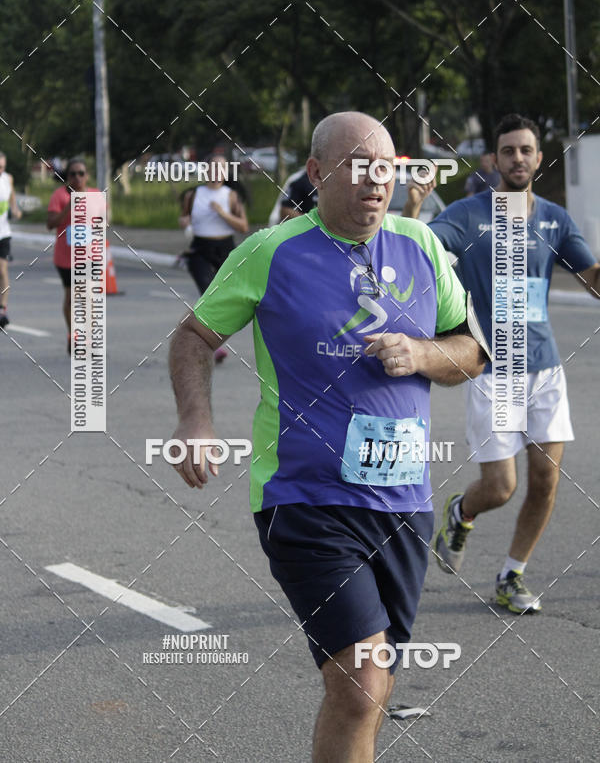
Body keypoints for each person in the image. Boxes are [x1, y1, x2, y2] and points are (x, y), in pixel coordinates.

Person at [168, 111, 485, 762]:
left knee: (371, 687)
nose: (376, 184)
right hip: (305, 498)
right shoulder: (271, 250)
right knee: (362, 682)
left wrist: (421, 356)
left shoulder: (421, 247)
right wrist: (197, 421)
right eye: (359, 168)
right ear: (316, 173)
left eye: (387, 171)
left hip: (402, 504)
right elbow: (193, 338)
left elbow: (472, 351)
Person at [403, 113, 600, 614]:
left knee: (546, 480)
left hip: (545, 368)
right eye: (508, 150)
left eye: (526, 150)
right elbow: (418, 247)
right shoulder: (469, 216)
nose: (518, 158)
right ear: (494, 160)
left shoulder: (554, 219)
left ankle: (512, 575)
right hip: (492, 370)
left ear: (538, 157)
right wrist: (413, 205)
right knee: (501, 487)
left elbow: (591, 278)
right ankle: (462, 511)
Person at [179, 154, 248, 363]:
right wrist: (185, 223)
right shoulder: (194, 194)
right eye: (213, 168)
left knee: (221, 299)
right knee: (206, 295)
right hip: (200, 249)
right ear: (206, 171)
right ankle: (211, 345)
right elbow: (184, 217)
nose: (217, 173)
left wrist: (222, 213)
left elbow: (243, 226)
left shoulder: (231, 196)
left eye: (221, 169)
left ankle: (210, 340)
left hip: (225, 249)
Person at [47, 158, 100, 353]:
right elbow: (50, 224)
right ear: (67, 176)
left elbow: (103, 220)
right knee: (71, 298)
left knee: (89, 295)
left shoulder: (95, 195)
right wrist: (69, 206)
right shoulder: (59, 196)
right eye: (73, 174)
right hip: (66, 257)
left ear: (87, 176)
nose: (77, 177)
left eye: (81, 173)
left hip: (90, 256)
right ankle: (73, 334)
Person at [0, 151, 22, 329]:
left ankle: (3, 308)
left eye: (2, 167)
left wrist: (16, 210)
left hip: (3, 232)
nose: (1, 170)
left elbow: (12, 198)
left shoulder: (8, 179)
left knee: (2, 268)